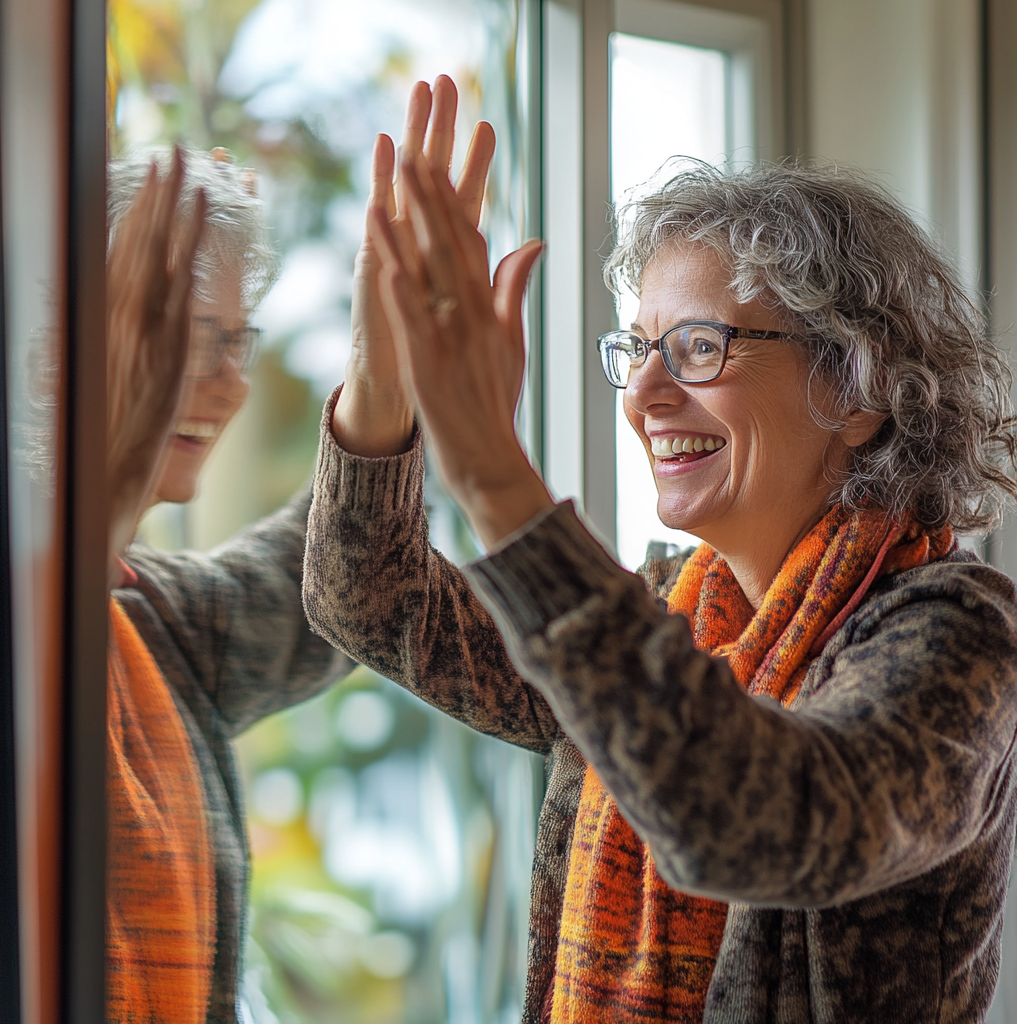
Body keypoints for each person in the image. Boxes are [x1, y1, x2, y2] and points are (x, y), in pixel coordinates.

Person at [302, 79, 1017, 1023]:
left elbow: (758, 820)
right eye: (636, 349)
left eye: (697, 346)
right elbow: (370, 598)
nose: (642, 395)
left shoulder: (957, 634)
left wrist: (491, 469)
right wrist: (381, 375)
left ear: (856, 388)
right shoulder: (663, 610)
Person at [104, 145, 354, 1023]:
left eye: (235, 341)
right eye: (179, 337)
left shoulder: (155, 621)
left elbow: (330, 580)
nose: (231, 380)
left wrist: (392, 376)